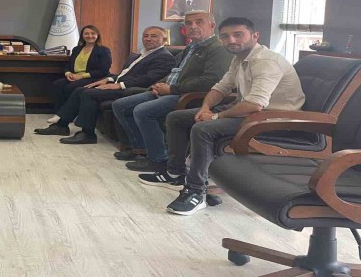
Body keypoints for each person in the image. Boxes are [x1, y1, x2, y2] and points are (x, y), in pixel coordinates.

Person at [139, 17, 305, 215]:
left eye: (238, 35)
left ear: (255, 36)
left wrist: (216, 117)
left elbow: (255, 104)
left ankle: (196, 191)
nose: (231, 40)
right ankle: (176, 173)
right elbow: (221, 87)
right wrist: (205, 108)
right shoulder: (239, 59)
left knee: (203, 129)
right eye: (225, 36)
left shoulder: (266, 62)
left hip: (274, 121)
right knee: (177, 117)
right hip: (252, 114)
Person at [111, 11, 232, 171]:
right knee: (120, 105)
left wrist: (171, 89)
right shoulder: (191, 47)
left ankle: (158, 160)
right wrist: (158, 85)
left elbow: (209, 81)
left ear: (212, 25)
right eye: (188, 23)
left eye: (199, 22)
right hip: (171, 90)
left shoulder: (218, 49)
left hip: (188, 96)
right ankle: (141, 149)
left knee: (143, 111)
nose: (193, 26)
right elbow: (174, 71)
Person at [34, 27, 176, 144]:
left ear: (164, 40)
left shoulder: (164, 56)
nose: (148, 39)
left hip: (134, 90)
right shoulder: (142, 54)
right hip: (119, 83)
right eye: (146, 36)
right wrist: (108, 79)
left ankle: (87, 134)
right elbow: (124, 73)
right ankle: (61, 125)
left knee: (87, 93)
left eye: (154, 36)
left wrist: (119, 85)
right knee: (81, 89)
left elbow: (149, 79)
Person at [49, 25, 112, 112]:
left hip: (94, 77)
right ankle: (59, 112)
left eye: (93, 33)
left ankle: (70, 113)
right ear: (82, 35)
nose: (90, 36)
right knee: (58, 84)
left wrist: (81, 76)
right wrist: (68, 73)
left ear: (97, 35)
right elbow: (68, 66)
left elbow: (103, 70)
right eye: (86, 34)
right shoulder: (76, 49)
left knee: (71, 87)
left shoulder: (104, 50)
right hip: (75, 76)